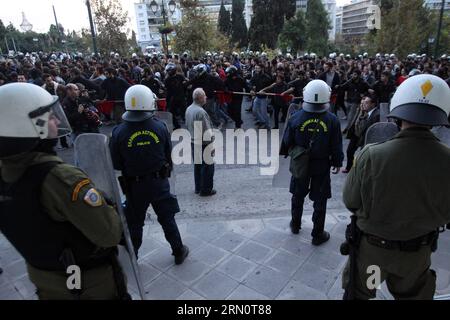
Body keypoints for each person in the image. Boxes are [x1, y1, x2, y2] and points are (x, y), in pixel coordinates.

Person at [0, 83, 128, 300]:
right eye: (50, 117)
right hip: (87, 285)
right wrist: (108, 206)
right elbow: (110, 233)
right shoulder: (60, 178)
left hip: (46, 279)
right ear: (27, 126)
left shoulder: (6, 174)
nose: (57, 120)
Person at [342, 74, 450, 300]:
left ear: (398, 111)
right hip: (415, 256)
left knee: (362, 293)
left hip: (374, 255)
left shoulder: (372, 155)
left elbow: (351, 201)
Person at [109, 85, 189, 264]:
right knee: (167, 218)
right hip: (158, 182)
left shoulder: (118, 132)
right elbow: (168, 154)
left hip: (134, 185)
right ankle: (178, 251)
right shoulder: (159, 126)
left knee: (134, 223)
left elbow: (115, 163)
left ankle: (133, 257)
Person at [280, 80, 344, 245]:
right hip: (321, 166)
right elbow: (336, 144)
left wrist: (288, 152)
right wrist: (337, 162)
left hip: (301, 163)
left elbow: (287, 140)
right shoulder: (332, 120)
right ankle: (317, 234)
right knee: (320, 199)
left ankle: (295, 224)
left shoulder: (296, 117)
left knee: (297, 195)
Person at [185, 88, 216, 197]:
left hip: (194, 141)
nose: (206, 97)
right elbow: (207, 130)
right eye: (205, 96)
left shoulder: (189, 109)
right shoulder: (201, 112)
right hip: (203, 143)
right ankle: (206, 189)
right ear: (200, 98)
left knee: (198, 166)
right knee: (207, 167)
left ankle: (198, 187)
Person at [342, 94, 380, 173]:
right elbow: (355, 122)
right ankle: (351, 168)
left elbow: (364, 128)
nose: (363, 105)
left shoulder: (376, 115)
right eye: (362, 103)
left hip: (366, 139)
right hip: (357, 134)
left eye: (366, 103)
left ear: (373, 104)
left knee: (362, 156)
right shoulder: (361, 110)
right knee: (350, 151)